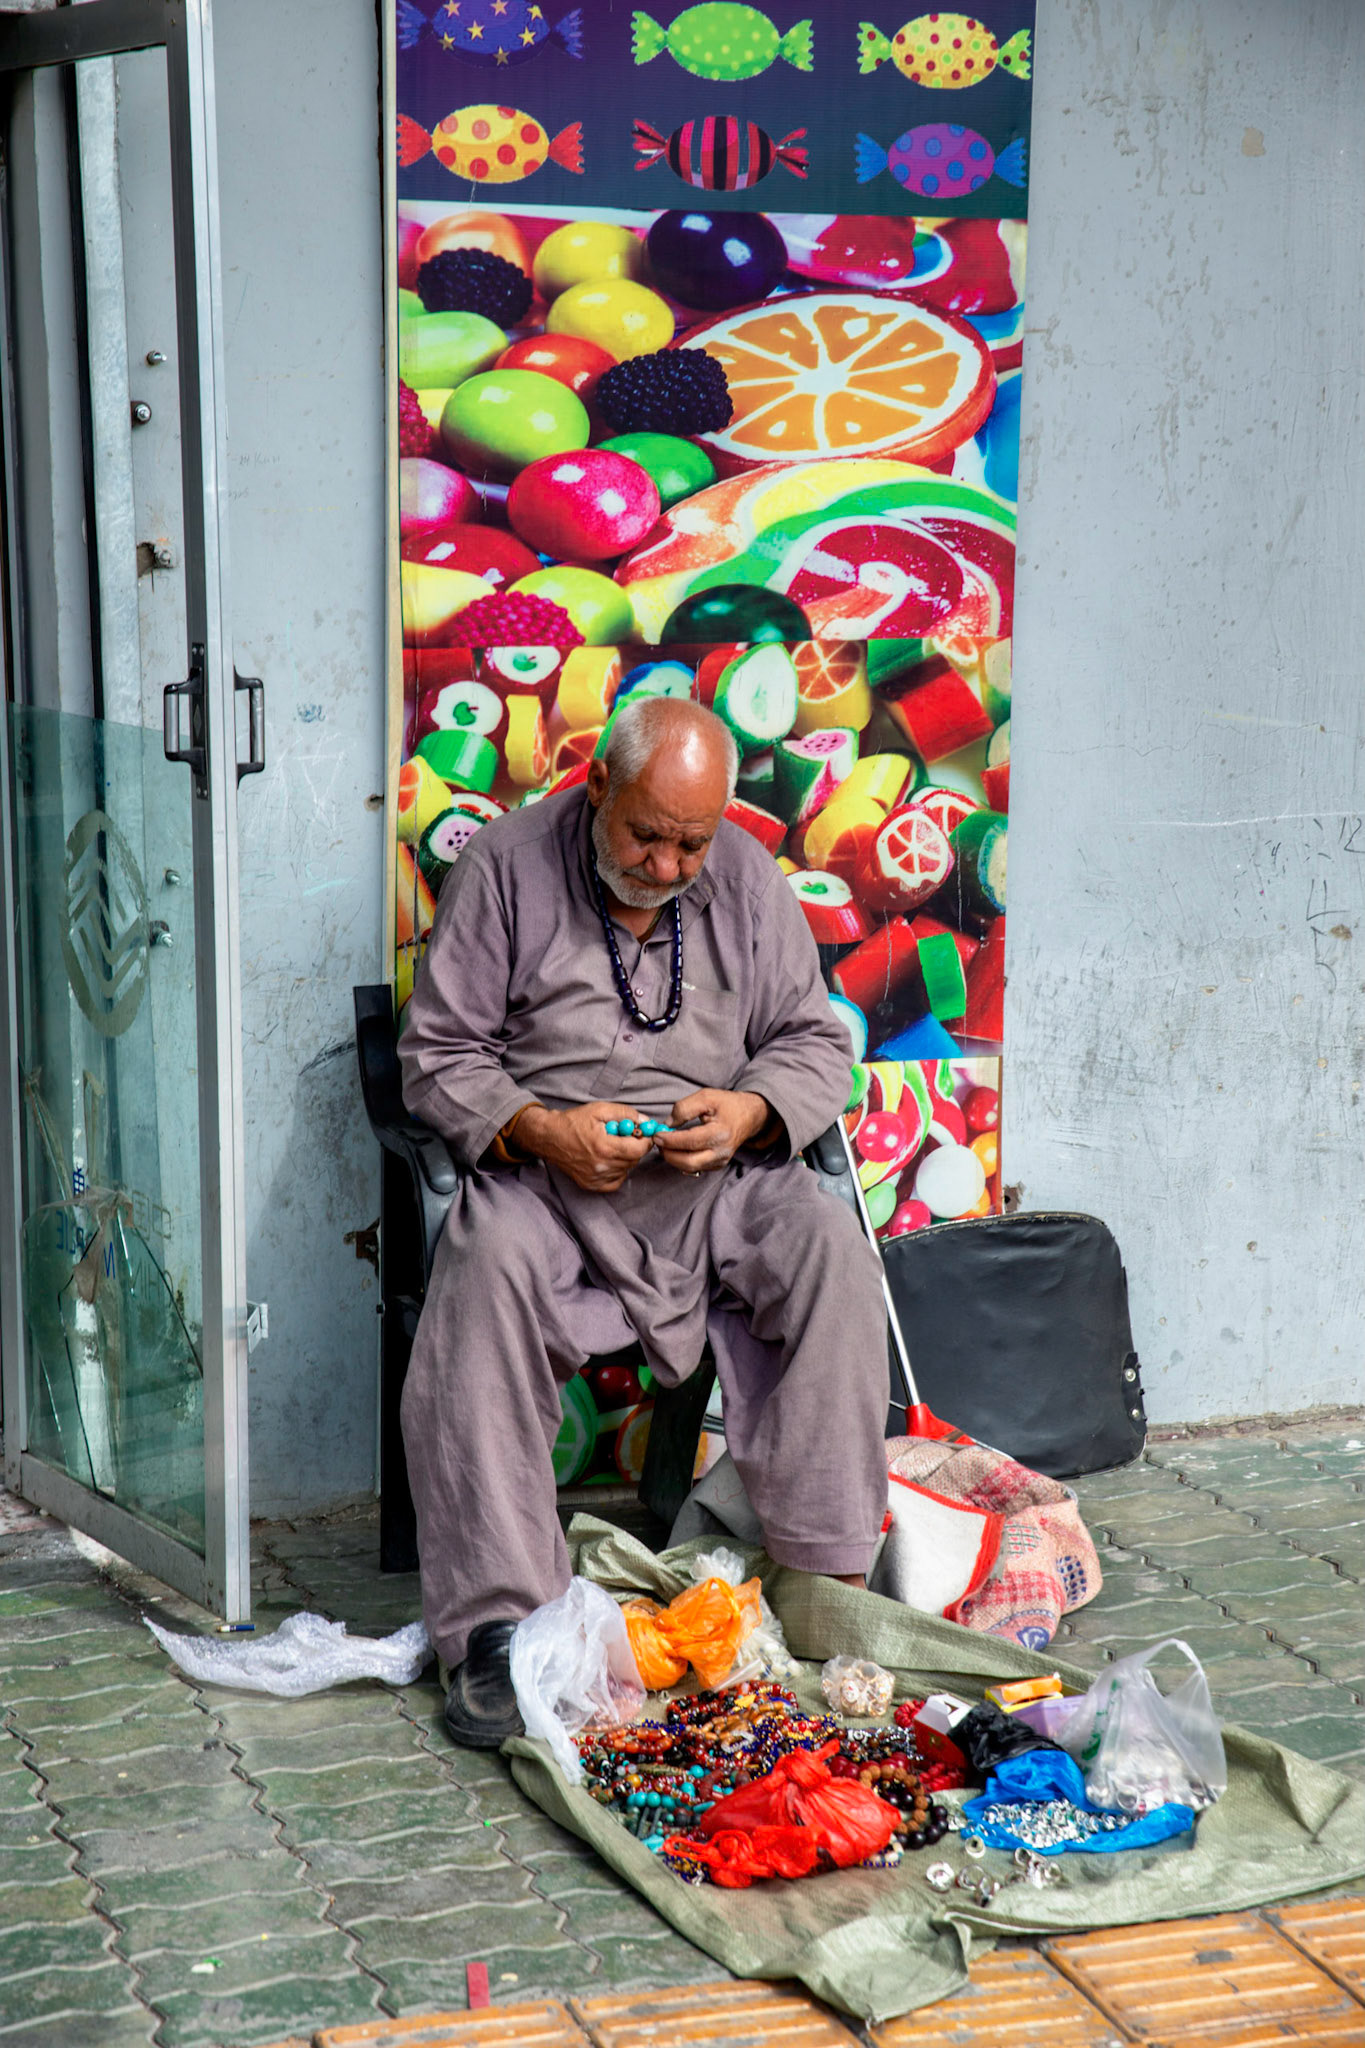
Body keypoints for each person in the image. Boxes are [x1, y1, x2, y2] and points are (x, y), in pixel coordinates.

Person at [399, 694, 890, 1747]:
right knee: (482, 1275)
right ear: (595, 792)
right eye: (646, 836)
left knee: (827, 1255)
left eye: (691, 844)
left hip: (713, 1182)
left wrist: (753, 1108)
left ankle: (823, 1579)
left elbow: (812, 1038)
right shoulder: (504, 866)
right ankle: (503, 1633)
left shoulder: (748, 878)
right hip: (552, 1188)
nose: (668, 866)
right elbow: (438, 1056)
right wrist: (539, 1127)